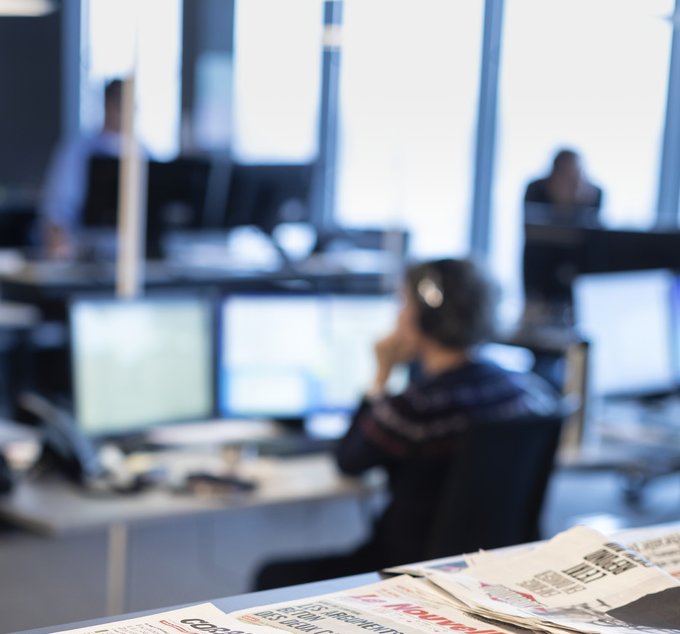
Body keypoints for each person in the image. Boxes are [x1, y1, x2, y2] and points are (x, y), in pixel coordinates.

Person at [253, 258, 552, 591]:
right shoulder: (520, 389)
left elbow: (348, 460)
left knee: (272, 576)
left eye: (402, 304)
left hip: (409, 571)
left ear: (423, 317)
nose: (397, 316)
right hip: (488, 571)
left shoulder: (414, 409)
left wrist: (380, 375)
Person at [38, 79, 123, 259]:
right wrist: (59, 240)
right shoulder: (77, 151)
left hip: (137, 258)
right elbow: (57, 211)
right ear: (108, 105)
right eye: (120, 104)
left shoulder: (145, 154)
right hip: (88, 256)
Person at [523, 149, 602, 313]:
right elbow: (531, 235)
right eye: (567, 177)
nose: (573, 183)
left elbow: (592, 243)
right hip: (540, 271)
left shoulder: (594, 194)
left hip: (576, 272)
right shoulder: (536, 189)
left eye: (577, 176)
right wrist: (562, 204)